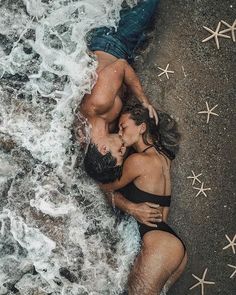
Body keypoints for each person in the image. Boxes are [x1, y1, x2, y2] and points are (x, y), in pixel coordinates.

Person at [74, 1, 163, 229]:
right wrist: (132, 208)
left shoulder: (98, 105)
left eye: (119, 151)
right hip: (114, 57)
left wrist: (144, 100)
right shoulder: (88, 139)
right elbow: (101, 185)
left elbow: (122, 66)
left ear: (104, 149)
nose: (124, 146)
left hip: (113, 41)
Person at [100, 101, 187, 295]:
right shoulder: (164, 155)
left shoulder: (137, 161)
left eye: (123, 127)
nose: (120, 134)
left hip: (160, 245)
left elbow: (103, 188)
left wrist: (130, 207)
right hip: (166, 244)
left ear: (142, 127)